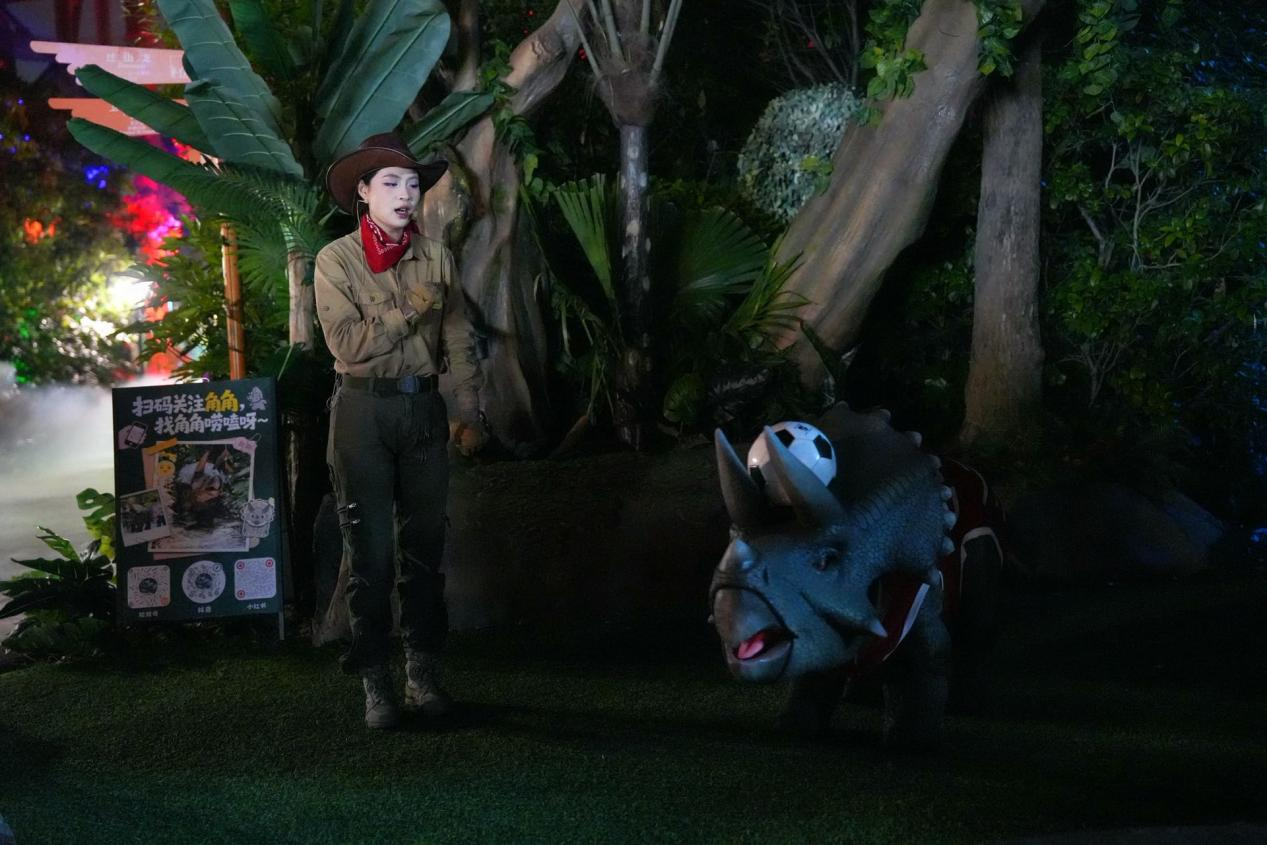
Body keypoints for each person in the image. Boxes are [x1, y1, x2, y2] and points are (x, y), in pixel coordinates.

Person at [315, 132, 487, 729]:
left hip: (422, 410)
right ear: (363, 192)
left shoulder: (436, 255)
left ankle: (422, 675)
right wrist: (412, 305)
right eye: (391, 183)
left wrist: (469, 406)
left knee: (424, 550)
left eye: (413, 184)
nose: (406, 194)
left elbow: (458, 335)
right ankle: (376, 684)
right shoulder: (335, 260)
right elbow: (347, 345)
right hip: (362, 412)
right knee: (369, 553)